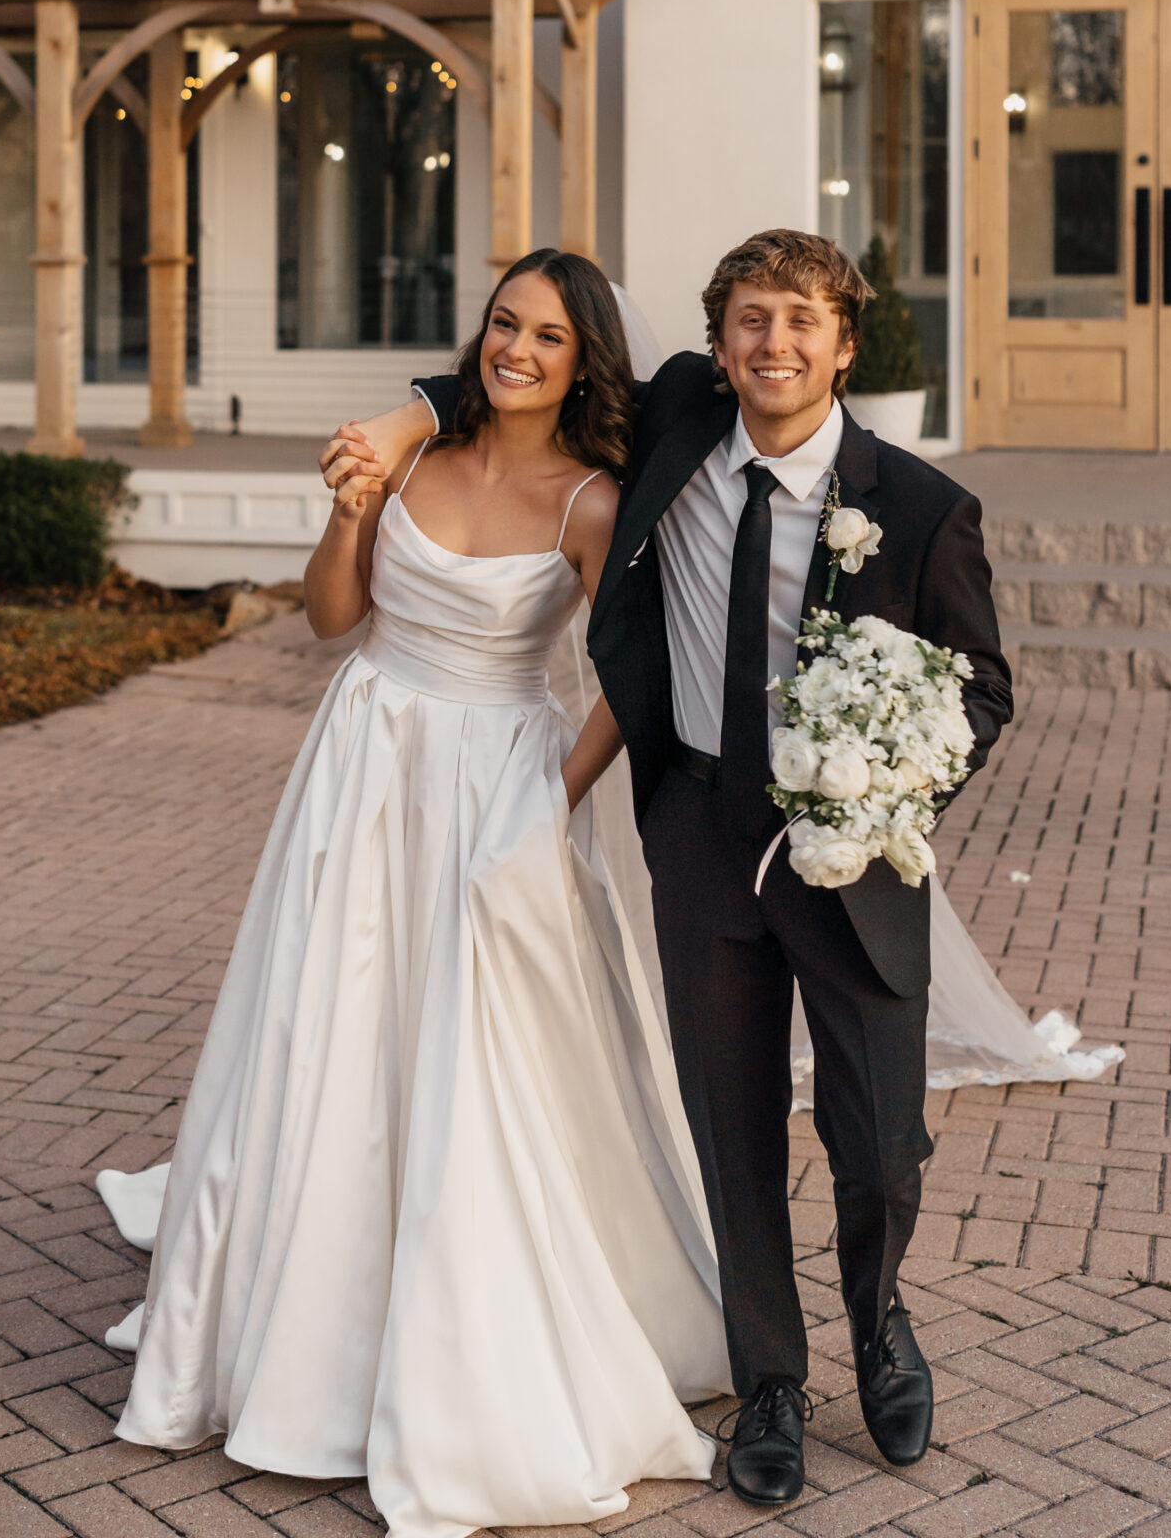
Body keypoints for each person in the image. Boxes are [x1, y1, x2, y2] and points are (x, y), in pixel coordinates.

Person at [330, 228, 1014, 1496]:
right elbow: (530, 366)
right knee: (731, 1124)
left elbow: (981, 689)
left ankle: (880, 1323)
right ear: (716, 345)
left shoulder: (922, 508)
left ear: (845, 345)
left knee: (880, 1142)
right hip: (699, 833)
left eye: (803, 321)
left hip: (851, 859)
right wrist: (402, 415)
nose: (775, 344)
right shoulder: (678, 427)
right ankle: (769, 1379)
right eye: (752, 319)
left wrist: (893, 772)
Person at [104, 250, 729, 1538]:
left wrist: (548, 796)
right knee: (329, 1022)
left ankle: (453, 1330)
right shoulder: (415, 455)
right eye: (504, 323)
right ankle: (310, 1307)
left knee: (472, 1054)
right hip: (363, 757)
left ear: (581, 360)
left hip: (496, 769)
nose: (516, 349)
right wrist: (354, 503)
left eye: (548, 336)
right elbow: (332, 617)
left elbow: (636, 670)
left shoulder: (592, 503)